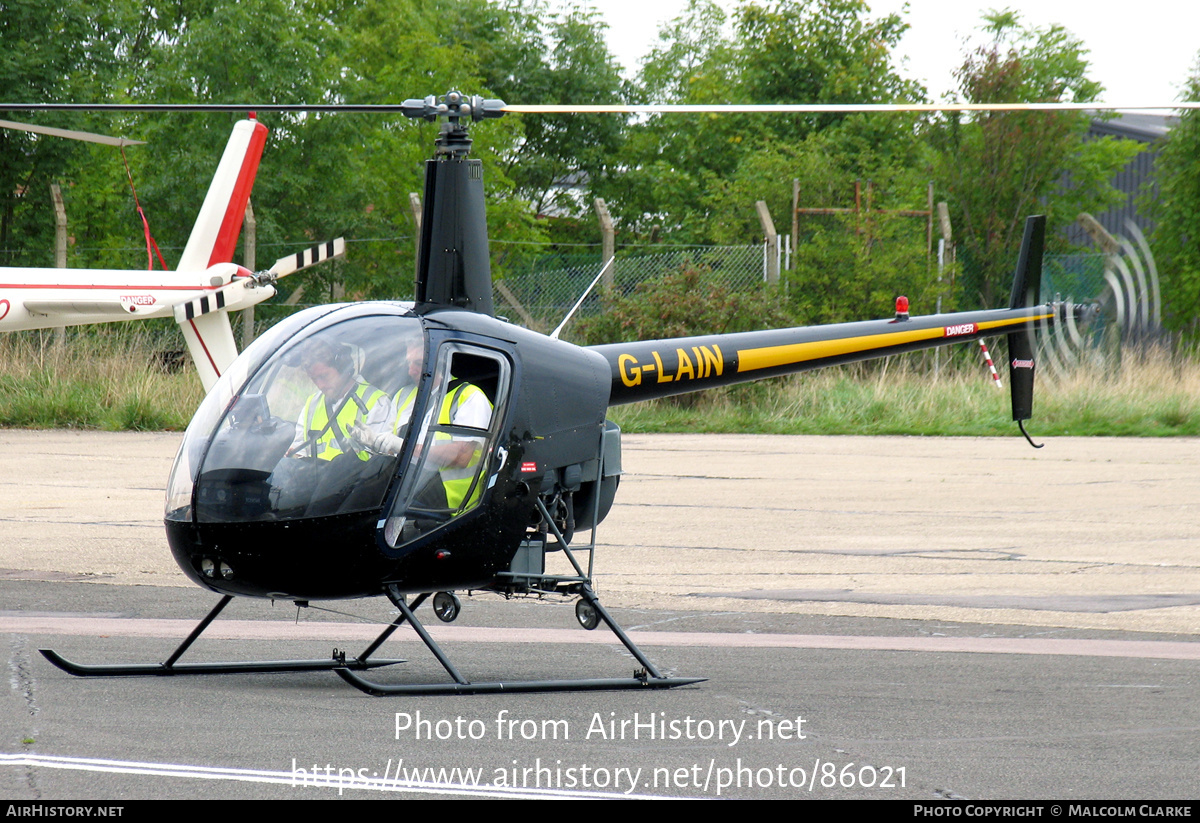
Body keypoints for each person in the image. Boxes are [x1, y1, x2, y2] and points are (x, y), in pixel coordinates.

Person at [288, 338, 393, 462]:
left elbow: (381, 462)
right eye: (314, 379)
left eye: (324, 376)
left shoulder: (376, 402)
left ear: (344, 368)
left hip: (359, 480)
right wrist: (294, 456)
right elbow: (299, 451)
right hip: (314, 479)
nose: (320, 385)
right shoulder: (311, 405)